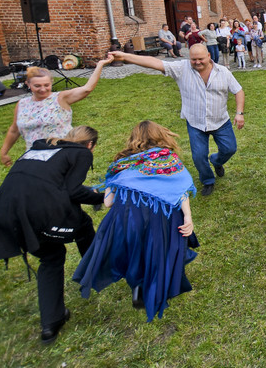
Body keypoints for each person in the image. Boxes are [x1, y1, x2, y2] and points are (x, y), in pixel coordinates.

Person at [0, 126, 103, 344]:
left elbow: (51, 181)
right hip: (37, 210)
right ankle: (96, 268)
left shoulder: (42, 146)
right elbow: (73, 191)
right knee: (83, 225)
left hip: (5, 209)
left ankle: (51, 322)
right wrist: (101, 197)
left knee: (51, 257)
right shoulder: (81, 152)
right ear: (91, 145)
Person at [73, 121, 197, 322]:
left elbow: (108, 203)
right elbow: (180, 191)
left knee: (135, 251)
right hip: (161, 215)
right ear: (161, 136)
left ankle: (138, 286)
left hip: (127, 216)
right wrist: (188, 217)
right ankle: (156, 287)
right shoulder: (168, 160)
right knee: (159, 251)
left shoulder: (121, 163)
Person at [108, 45, 245, 196]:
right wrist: (125, 56)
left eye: (201, 59)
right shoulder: (181, 68)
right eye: (193, 59)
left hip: (220, 120)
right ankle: (208, 181)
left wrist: (239, 113)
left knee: (230, 149)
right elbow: (153, 62)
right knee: (199, 156)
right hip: (195, 122)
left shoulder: (222, 72)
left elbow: (238, 91)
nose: (197, 62)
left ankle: (216, 161)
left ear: (208, 55)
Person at [0, 56, 113, 166]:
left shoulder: (60, 98)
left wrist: (100, 64)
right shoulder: (22, 104)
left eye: (46, 85)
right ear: (28, 84)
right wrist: (4, 152)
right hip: (34, 157)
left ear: (51, 83)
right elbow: (14, 130)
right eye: (37, 86)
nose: (43, 89)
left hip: (62, 154)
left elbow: (87, 88)